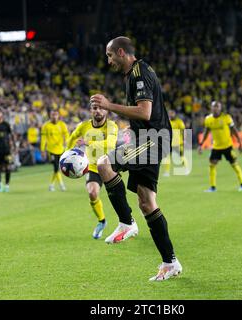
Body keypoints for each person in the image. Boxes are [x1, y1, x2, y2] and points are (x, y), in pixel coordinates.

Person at [90, 36, 182, 281]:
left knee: (103, 164)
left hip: (152, 139)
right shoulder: (134, 73)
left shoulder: (139, 73)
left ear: (121, 52)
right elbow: (141, 116)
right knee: (147, 202)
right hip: (148, 137)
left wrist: (109, 105)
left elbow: (145, 112)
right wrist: (129, 131)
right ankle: (170, 262)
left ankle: (127, 223)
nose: (108, 61)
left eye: (110, 55)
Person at [66, 103, 118, 239]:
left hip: (110, 166)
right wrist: (67, 155)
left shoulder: (111, 125)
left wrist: (89, 143)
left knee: (118, 198)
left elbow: (111, 143)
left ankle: (127, 222)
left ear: (106, 110)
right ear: (91, 110)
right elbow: (72, 138)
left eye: (101, 108)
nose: (98, 111)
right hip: (93, 167)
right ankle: (102, 221)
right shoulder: (83, 126)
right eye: (95, 108)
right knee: (92, 192)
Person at [198, 101, 242, 192]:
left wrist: (240, 143)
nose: (215, 109)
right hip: (216, 147)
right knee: (212, 165)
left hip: (227, 146)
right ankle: (212, 187)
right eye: (214, 107)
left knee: (234, 164)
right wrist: (201, 144)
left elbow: (234, 130)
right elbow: (206, 132)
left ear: (220, 108)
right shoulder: (208, 119)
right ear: (211, 108)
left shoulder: (226, 117)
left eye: (217, 107)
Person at [40, 110, 69, 191]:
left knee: (58, 168)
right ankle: (61, 185)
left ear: (58, 116)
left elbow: (66, 135)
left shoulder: (62, 125)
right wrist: (42, 150)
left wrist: (67, 142)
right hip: (51, 150)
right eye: (53, 115)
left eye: (56, 115)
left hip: (60, 149)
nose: (54, 116)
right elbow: (43, 139)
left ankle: (51, 185)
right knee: (56, 167)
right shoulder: (45, 126)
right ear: (50, 116)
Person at [162, 110, 188, 176]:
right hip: (169, 143)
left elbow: (183, 131)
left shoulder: (179, 121)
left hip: (178, 143)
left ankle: (186, 169)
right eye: (170, 113)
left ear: (175, 114)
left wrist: (184, 140)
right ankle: (167, 172)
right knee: (167, 157)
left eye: (172, 113)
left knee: (181, 156)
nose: (171, 115)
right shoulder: (167, 122)